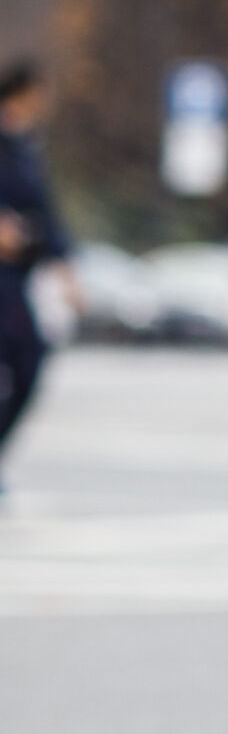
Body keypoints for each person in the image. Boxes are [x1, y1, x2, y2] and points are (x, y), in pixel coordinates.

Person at [0, 60, 76, 487]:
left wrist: (66, 268)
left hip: (15, 277)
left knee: (29, 363)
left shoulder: (27, 146)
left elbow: (47, 213)